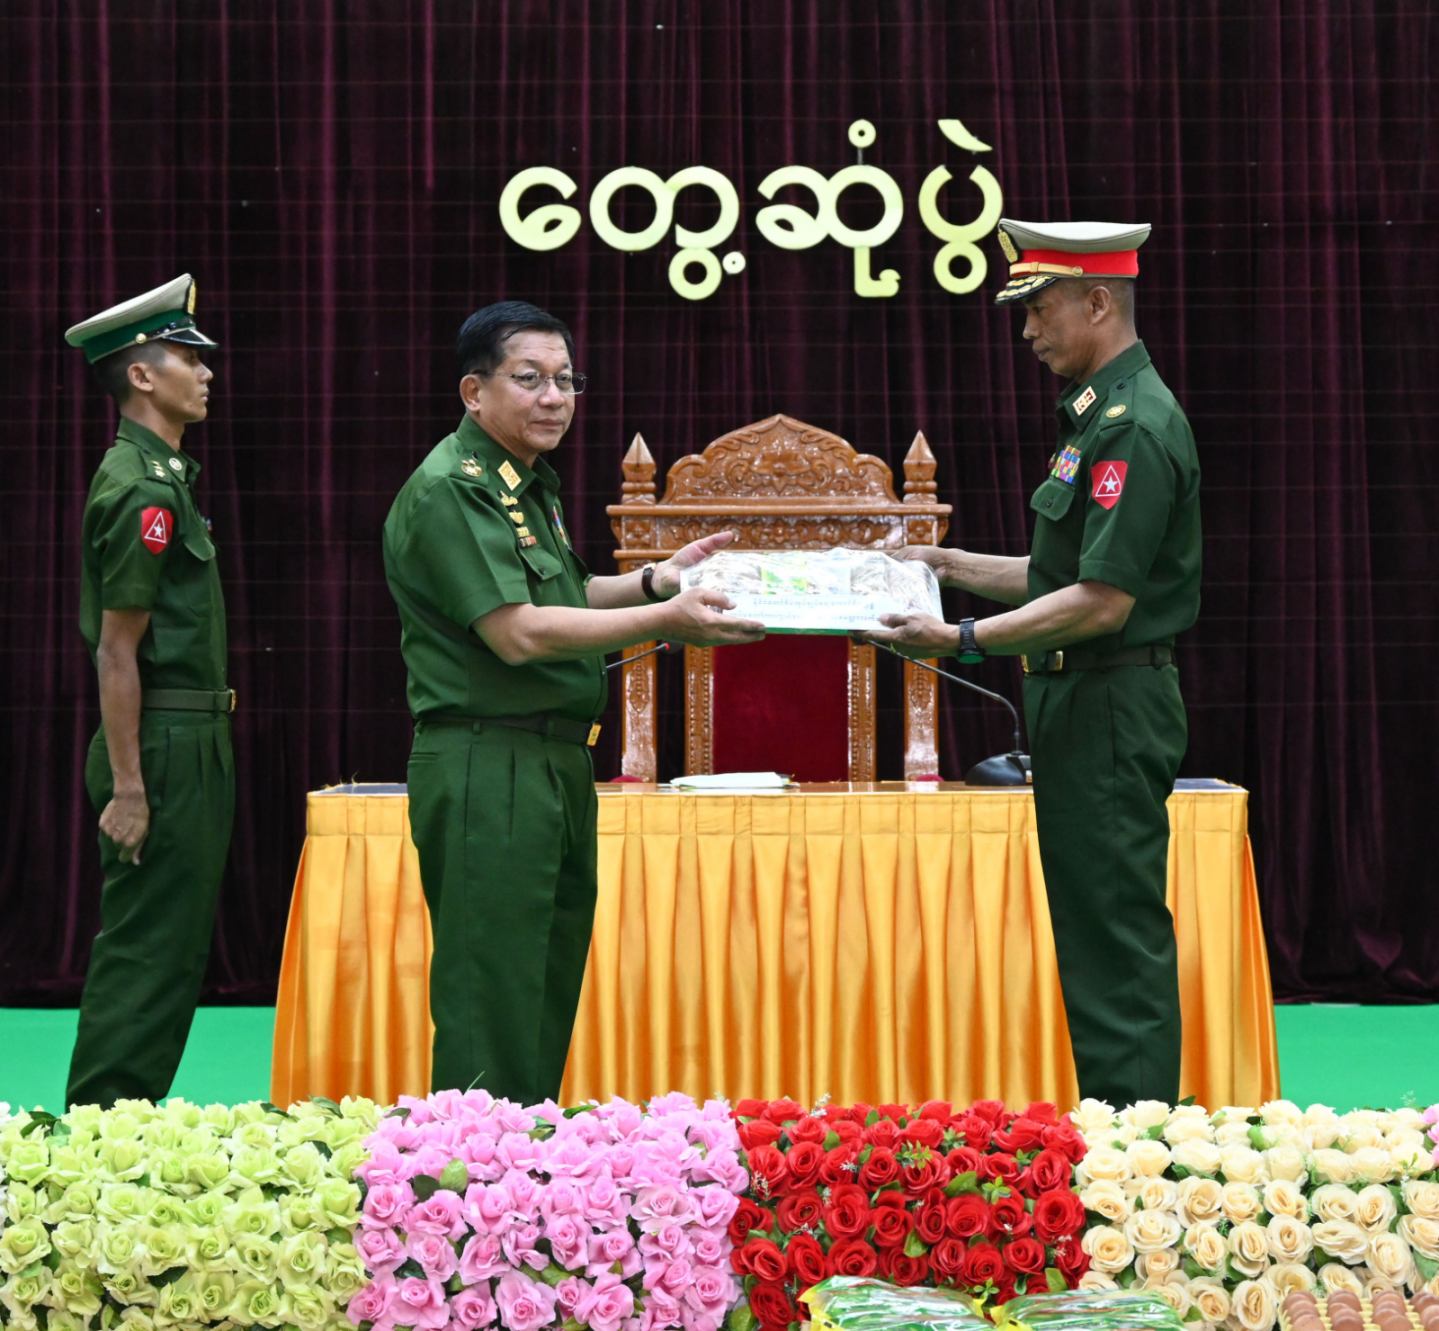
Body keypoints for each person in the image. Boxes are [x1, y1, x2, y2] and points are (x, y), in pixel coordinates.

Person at [383, 300, 764, 1102]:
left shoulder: (522, 483)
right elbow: (517, 631)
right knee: (491, 996)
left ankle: (524, 1164)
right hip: (489, 758)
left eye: (565, 379)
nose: (553, 397)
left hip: (551, 759)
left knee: (541, 984)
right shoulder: (454, 488)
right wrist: (667, 619)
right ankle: (468, 1169)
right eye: (529, 379)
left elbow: (569, 594)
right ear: (474, 391)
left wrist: (658, 579)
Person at [870, 220, 1201, 1107]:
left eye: (1038, 309)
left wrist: (961, 638)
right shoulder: (1097, 418)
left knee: (1114, 935)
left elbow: (1100, 601)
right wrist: (944, 563)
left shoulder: (1131, 426)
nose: (1026, 332)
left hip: (1108, 698)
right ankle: (1119, 1128)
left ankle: (1137, 1146)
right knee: (1093, 929)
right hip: (1082, 699)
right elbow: (1059, 574)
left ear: (1096, 302)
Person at [63, 274, 234, 1108]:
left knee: (171, 947)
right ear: (140, 374)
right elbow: (116, 649)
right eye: (187, 359)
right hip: (161, 745)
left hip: (185, 738)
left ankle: (126, 1122)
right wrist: (129, 786)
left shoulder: (165, 477)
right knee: (147, 948)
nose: (205, 372)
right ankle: (98, 1132)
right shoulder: (140, 489)